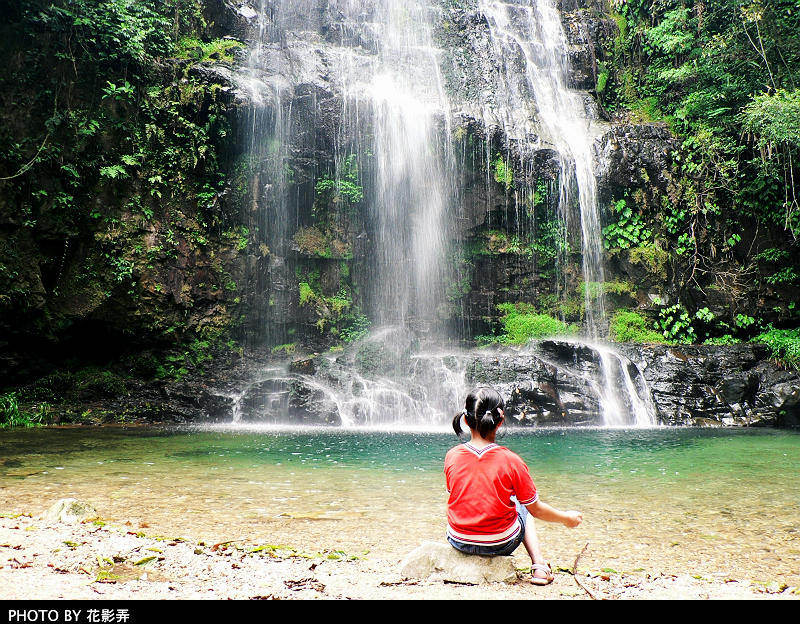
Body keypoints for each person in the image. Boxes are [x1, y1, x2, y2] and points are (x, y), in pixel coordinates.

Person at [444, 387, 582, 585]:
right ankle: (539, 566)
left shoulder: (452, 455)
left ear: (465, 421)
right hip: (499, 543)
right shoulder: (511, 460)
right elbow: (537, 510)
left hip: (459, 540)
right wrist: (566, 518)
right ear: (500, 422)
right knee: (524, 503)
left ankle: (471, 535)